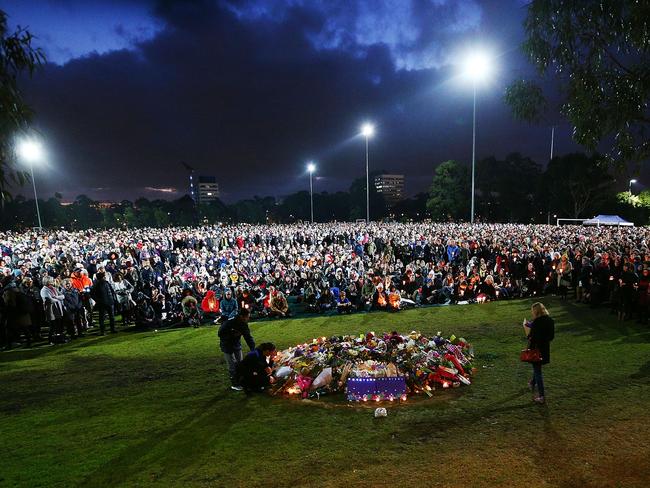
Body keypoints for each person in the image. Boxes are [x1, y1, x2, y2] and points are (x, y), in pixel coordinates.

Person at [523, 302, 555, 404]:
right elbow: (551, 336)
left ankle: (541, 396)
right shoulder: (550, 320)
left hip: (536, 349)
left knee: (537, 370)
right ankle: (533, 382)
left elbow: (531, 337)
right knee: (537, 366)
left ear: (536, 311)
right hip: (545, 348)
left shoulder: (536, 322)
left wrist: (528, 333)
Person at [218, 308, 256, 391]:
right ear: (241, 316)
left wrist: (253, 349)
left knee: (240, 363)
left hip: (236, 345)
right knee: (232, 365)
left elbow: (248, 337)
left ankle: (241, 381)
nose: (248, 318)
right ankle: (234, 384)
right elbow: (220, 333)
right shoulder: (230, 322)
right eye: (247, 317)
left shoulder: (243, 324)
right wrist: (232, 335)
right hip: (227, 346)